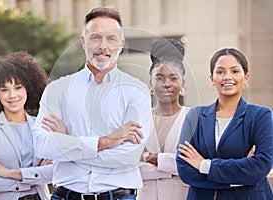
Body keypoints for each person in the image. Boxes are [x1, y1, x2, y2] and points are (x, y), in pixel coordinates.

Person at [32, 6, 153, 200]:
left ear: (121, 44)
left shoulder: (136, 91)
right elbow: (42, 145)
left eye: (111, 38)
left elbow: (128, 157)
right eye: (95, 37)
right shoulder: (58, 89)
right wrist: (106, 141)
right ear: (83, 41)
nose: (103, 46)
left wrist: (67, 144)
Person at [176, 48, 273, 199]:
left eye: (234, 71)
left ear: (246, 77)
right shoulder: (194, 116)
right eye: (220, 72)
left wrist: (204, 165)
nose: (227, 77)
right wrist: (240, 178)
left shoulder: (261, 116)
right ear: (212, 78)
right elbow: (185, 170)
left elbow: (260, 166)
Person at [0, 51, 62, 200]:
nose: (12, 95)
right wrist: (32, 177)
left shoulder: (43, 126)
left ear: (28, 88)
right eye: (4, 89)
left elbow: (57, 171)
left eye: (18, 87)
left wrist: (8, 172)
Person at [137, 38, 189, 200]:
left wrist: (148, 157)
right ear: (150, 84)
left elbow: (192, 167)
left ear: (182, 84)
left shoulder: (194, 119)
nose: (166, 84)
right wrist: (173, 169)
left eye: (173, 78)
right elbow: (130, 167)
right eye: (159, 78)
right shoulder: (137, 121)